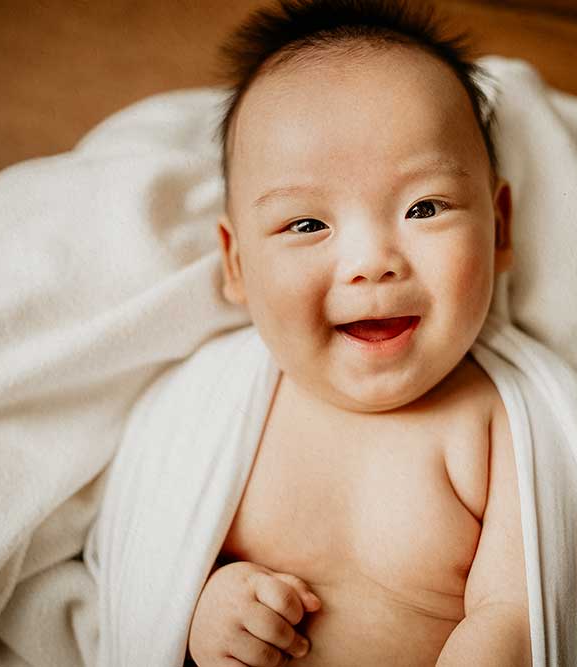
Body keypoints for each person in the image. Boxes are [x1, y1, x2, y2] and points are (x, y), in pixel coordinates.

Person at [187, 0, 528, 664]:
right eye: (307, 224)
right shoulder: (214, 413)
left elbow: (517, 612)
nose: (373, 261)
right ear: (236, 263)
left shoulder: (494, 421)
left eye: (423, 206)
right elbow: (154, 557)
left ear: (500, 227)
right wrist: (208, 605)